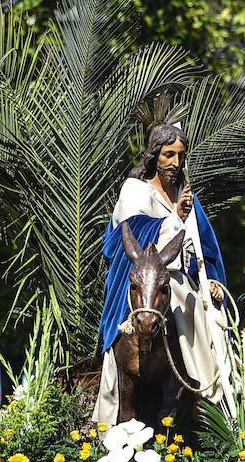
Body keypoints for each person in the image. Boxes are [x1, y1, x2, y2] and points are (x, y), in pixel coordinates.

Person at [96, 122, 228, 423]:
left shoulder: (186, 194)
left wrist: (211, 280)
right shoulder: (135, 191)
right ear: (154, 155)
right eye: (168, 155)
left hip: (183, 277)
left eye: (180, 156)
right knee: (178, 294)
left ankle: (213, 389)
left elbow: (204, 246)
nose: (175, 163)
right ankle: (200, 372)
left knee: (208, 312)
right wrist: (175, 217)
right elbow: (129, 236)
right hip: (146, 279)